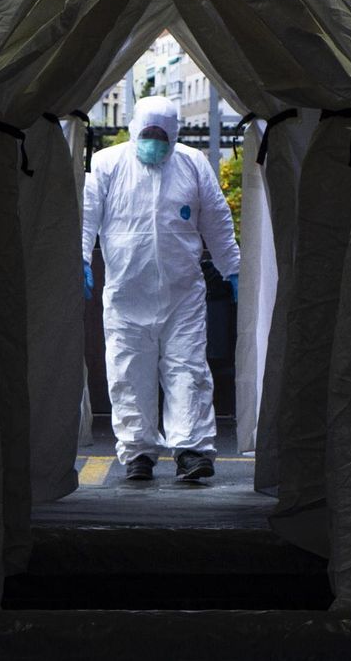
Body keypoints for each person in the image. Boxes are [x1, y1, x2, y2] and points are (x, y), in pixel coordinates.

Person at [82, 96, 240, 482]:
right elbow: (85, 215)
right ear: (136, 129)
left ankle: (191, 450)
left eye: (161, 136)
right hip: (125, 295)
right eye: (148, 134)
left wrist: (232, 267)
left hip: (182, 294)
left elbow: (217, 219)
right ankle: (138, 452)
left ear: (174, 134)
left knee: (188, 371)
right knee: (128, 373)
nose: (154, 142)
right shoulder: (107, 164)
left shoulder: (192, 164)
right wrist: (80, 258)